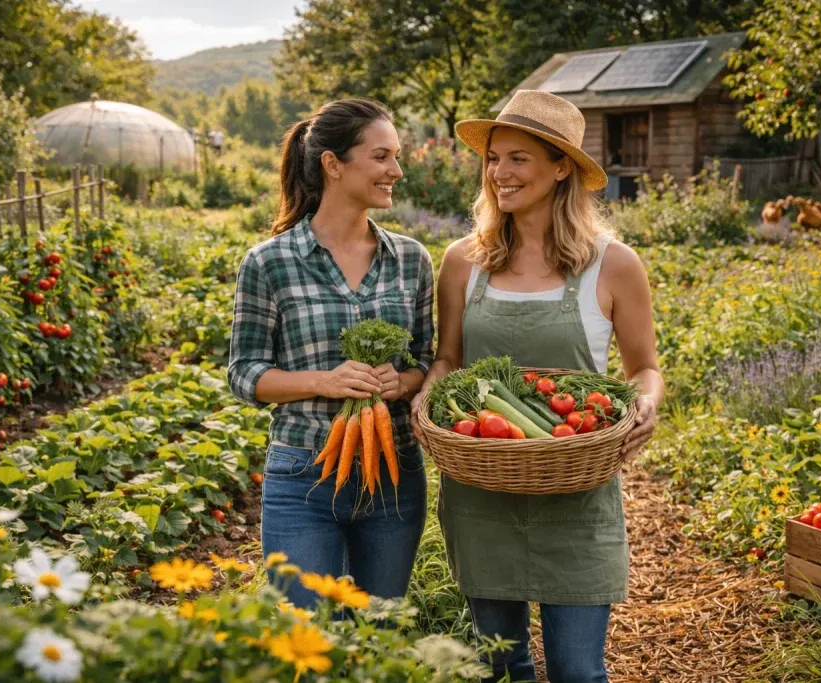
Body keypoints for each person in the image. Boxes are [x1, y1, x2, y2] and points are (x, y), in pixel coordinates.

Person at [411, 90, 665, 682]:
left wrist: (645, 405)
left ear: (561, 169)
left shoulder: (613, 264)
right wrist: (427, 396)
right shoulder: (462, 261)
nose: (500, 172)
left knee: (577, 670)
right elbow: (448, 358)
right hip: (482, 490)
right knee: (502, 667)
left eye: (519, 158)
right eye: (494, 158)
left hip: (576, 493)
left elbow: (644, 368)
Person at [227, 98, 434, 609]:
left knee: (377, 636)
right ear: (333, 164)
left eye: (397, 156)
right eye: (382, 156)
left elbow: (430, 359)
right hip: (302, 474)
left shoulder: (411, 259)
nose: (396, 170)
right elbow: (245, 373)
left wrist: (402, 383)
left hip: (393, 472)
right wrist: (323, 380)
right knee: (307, 636)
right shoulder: (269, 262)